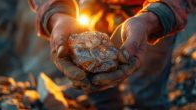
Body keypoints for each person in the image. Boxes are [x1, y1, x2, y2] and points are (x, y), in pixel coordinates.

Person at [28, 0, 196, 109]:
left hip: (152, 12)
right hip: (92, 8)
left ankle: (149, 103)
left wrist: (157, 17)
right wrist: (57, 14)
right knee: (98, 90)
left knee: (148, 89)